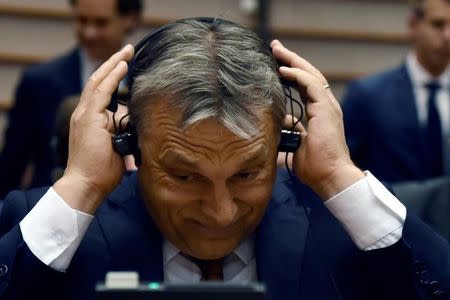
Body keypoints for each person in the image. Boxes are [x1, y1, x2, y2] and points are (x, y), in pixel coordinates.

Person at [0, 18, 449, 300]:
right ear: (129, 141)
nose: (221, 211)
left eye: (247, 173)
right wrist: (81, 185)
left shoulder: (348, 230)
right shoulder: (55, 232)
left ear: (285, 141)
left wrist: (338, 175)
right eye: (183, 175)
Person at [0, 0, 142, 197]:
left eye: (101, 23)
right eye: (82, 20)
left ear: (131, 19)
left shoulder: (150, 83)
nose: (89, 32)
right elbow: (11, 166)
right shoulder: (39, 81)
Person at [341, 0, 450, 182]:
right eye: (438, 24)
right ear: (413, 25)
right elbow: (343, 168)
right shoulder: (367, 95)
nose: (448, 36)